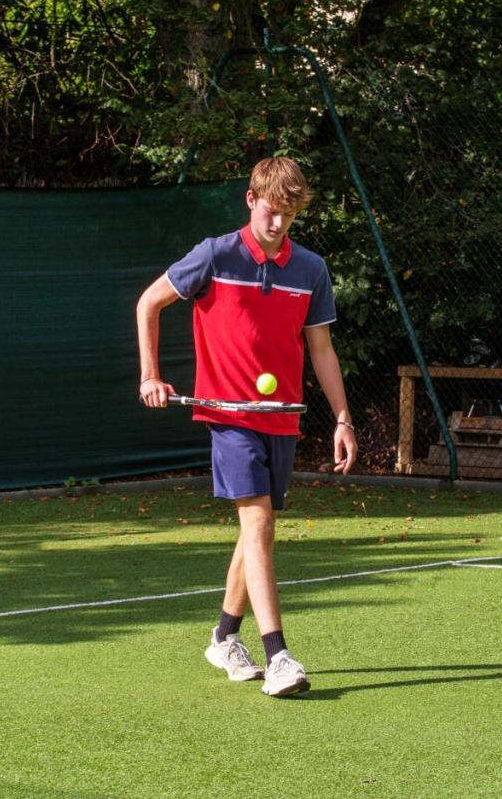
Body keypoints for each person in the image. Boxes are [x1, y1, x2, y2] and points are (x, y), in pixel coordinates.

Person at [136, 157, 356, 697]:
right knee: (258, 524)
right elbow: (149, 302)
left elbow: (321, 350)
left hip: (281, 419)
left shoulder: (310, 270)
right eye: (270, 210)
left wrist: (343, 418)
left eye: (288, 214)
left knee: (255, 530)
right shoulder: (215, 255)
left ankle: (223, 637)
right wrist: (150, 375)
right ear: (251, 199)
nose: (277, 223)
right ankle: (278, 655)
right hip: (228, 416)